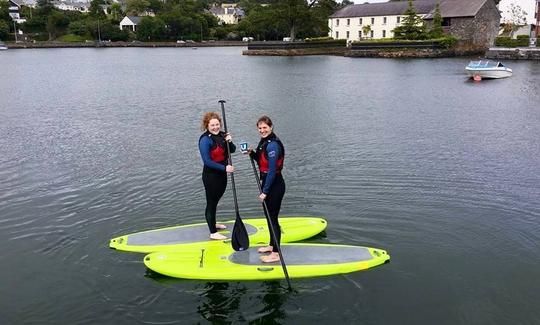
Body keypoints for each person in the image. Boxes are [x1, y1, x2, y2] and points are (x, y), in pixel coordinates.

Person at [248, 116, 285, 263]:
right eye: (260, 128)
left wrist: (265, 191)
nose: (262, 130)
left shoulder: (273, 146)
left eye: (265, 127)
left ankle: (276, 253)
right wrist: (252, 153)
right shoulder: (264, 142)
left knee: (273, 219)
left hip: (275, 185)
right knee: (269, 217)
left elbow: (271, 170)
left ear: (271, 127)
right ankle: (271, 245)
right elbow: (261, 161)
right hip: (268, 184)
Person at [199, 112, 236, 240]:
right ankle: (213, 232)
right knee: (211, 202)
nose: (215, 127)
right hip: (211, 176)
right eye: (212, 125)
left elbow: (232, 150)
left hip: (221, 176)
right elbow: (207, 161)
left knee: (216, 201)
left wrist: (229, 141)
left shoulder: (222, 135)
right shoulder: (205, 140)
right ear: (207, 125)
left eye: (217, 124)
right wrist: (224, 168)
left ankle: (213, 223)